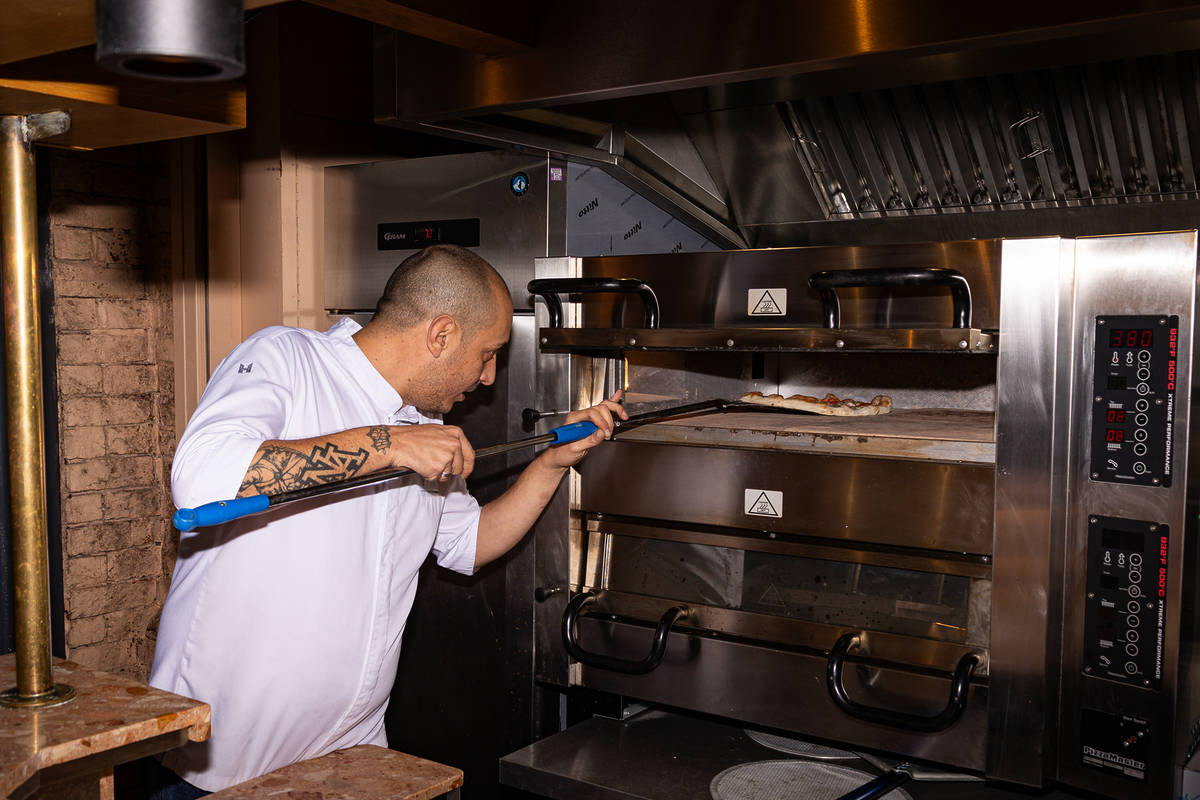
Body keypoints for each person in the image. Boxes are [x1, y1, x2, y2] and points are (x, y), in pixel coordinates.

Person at [146, 244, 625, 797]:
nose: (489, 377)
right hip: (222, 764)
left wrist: (551, 463)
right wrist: (389, 444)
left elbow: (469, 543)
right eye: (488, 353)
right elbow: (202, 477)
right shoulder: (288, 359)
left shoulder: (425, 423)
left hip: (352, 756)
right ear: (440, 335)